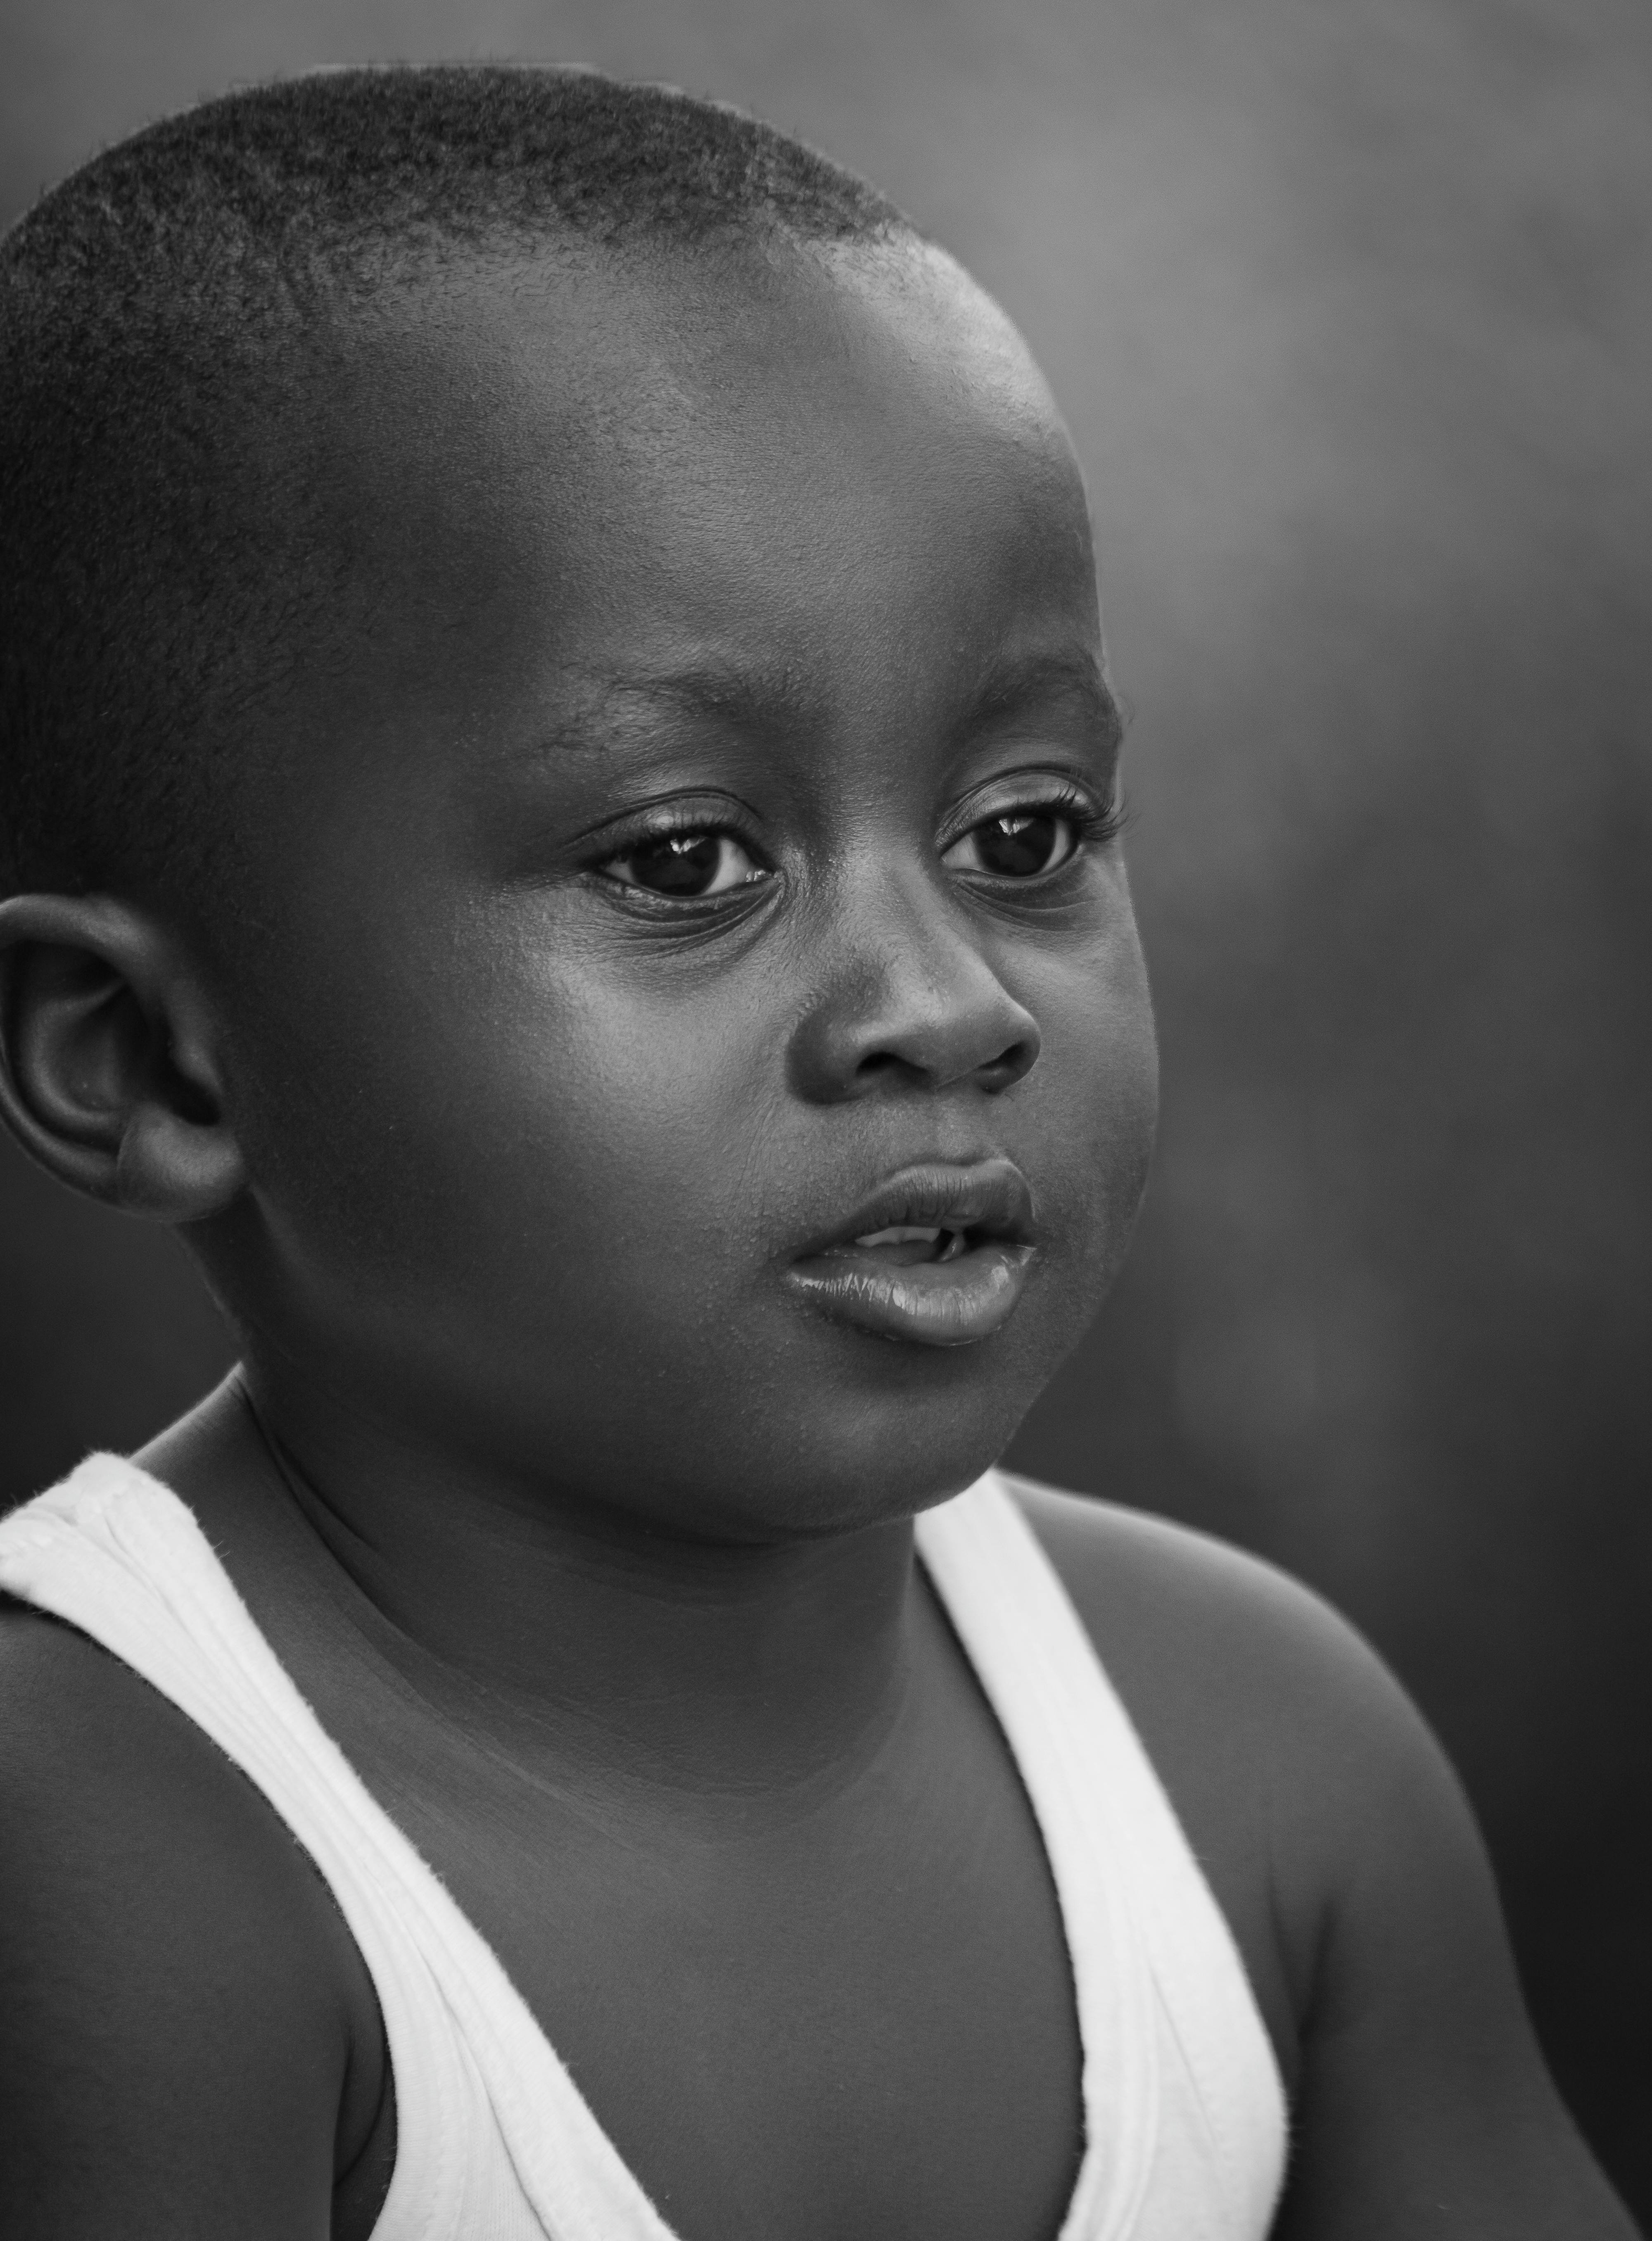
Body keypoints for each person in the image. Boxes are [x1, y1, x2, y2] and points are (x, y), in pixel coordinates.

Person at [0, 63, 1634, 2241]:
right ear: (149, 1064)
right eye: (686, 858)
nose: (949, 1001)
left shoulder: (1250, 1754)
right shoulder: (105, 1856)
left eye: (1023, 831)